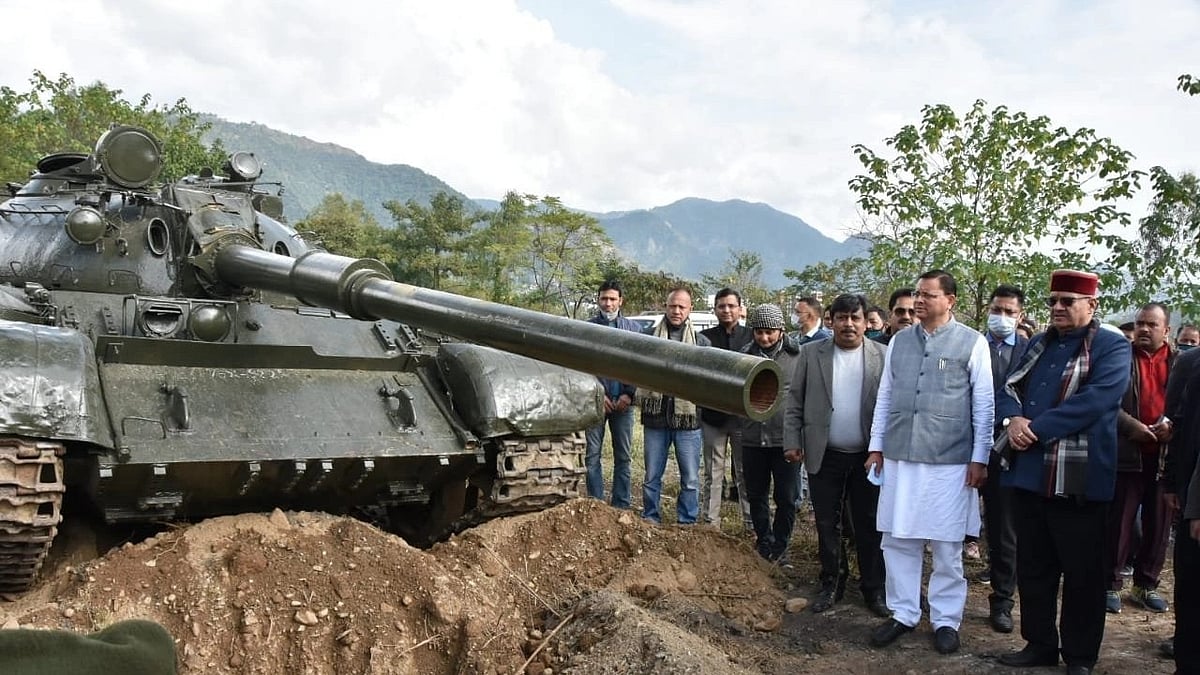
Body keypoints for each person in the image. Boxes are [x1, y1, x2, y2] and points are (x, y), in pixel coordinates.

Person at [995, 269, 1131, 675]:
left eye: (1067, 301)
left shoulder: (1111, 346)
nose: (1057, 307)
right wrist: (1013, 422)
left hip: (1079, 477)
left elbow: (1097, 400)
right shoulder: (1039, 342)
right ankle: (1039, 644)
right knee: (1034, 567)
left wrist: (1034, 429)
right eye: (1053, 300)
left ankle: (1080, 656)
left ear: (1091, 305)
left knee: (1082, 573)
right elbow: (1009, 388)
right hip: (1029, 474)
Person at [866, 270, 993, 655]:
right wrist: (876, 446)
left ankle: (946, 619)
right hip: (900, 457)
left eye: (928, 295)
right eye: (918, 294)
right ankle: (904, 612)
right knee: (898, 539)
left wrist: (980, 457)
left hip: (950, 462)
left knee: (946, 544)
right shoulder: (899, 341)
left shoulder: (973, 342)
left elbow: (984, 405)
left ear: (950, 300)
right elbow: (885, 396)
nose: (919, 301)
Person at [784, 293, 888, 617]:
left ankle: (874, 588)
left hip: (868, 457)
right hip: (824, 453)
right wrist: (792, 440)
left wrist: (885, 449)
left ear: (866, 322)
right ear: (831, 321)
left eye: (855, 318)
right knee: (828, 523)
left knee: (870, 524)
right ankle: (832, 582)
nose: (848, 324)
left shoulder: (882, 355)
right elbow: (795, 400)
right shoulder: (811, 353)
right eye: (842, 318)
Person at [1106, 303, 1177, 615]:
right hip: (1127, 453)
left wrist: (1171, 425)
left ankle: (1145, 585)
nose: (1144, 329)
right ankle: (1110, 584)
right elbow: (1106, 401)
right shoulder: (1120, 357)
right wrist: (1130, 425)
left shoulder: (1180, 362)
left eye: (1152, 324)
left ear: (1167, 330)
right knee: (1119, 522)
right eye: (1140, 324)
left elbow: (1187, 404)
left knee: (1159, 525)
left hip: (1164, 458)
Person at [980, 284, 1029, 633]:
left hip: (1008, 451)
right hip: (963, 448)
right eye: (997, 310)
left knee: (1003, 530)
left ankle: (1002, 601)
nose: (1002, 317)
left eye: (1009, 312)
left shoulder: (1030, 351)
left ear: (1020, 315)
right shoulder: (971, 345)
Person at [640, 286, 710, 524]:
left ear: (690, 309)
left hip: (689, 422)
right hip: (655, 418)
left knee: (690, 478)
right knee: (651, 475)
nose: (676, 311)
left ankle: (686, 521)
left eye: (682, 306)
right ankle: (650, 516)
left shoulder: (701, 343)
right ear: (666, 307)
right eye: (672, 306)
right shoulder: (648, 337)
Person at [739, 303, 801, 562]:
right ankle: (764, 542)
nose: (764, 337)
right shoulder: (744, 356)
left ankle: (781, 545)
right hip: (753, 437)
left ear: (781, 331)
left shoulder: (797, 357)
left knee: (786, 497)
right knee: (756, 495)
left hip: (785, 439)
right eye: (759, 332)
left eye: (770, 332)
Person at [583, 280, 644, 508]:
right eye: (604, 298)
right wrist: (598, 395)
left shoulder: (635, 330)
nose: (608, 303)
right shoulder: (587, 329)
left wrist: (629, 394)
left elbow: (639, 366)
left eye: (612, 299)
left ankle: (621, 505)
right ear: (598, 299)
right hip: (596, 403)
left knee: (623, 458)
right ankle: (596, 504)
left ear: (621, 301)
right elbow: (582, 366)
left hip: (624, 405)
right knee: (592, 456)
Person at [699, 288, 753, 528]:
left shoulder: (752, 336)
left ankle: (752, 523)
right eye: (722, 306)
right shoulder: (704, 339)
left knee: (745, 472)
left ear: (740, 309)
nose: (727, 310)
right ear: (715, 310)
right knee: (713, 473)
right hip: (713, 416)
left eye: (731, 306)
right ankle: (710, 523)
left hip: (744, 417)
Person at [1164, 344, 1200, 675]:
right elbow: (1179, 425)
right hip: (1193, 494)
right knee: (1191, 587)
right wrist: (1173, 482)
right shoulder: (1191, 363)